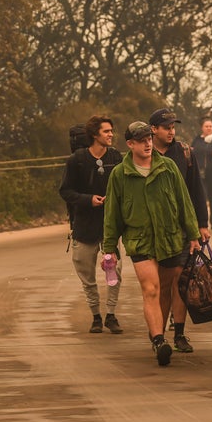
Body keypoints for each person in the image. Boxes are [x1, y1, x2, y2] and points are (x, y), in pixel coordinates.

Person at [103, 121, 200, 366]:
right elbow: (112, 214)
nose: (147, 143)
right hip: (140, 240)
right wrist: (109, 248)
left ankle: (159, 332)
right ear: (130, 144)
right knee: (151, 289)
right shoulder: (120, 174)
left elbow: (184, 202)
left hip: (169, 238)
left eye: (149, 138)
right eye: (141, 140)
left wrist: (194, 235)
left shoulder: (168, 167)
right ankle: (158, 340)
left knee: (166, 289)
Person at [149, 108, 210, 354]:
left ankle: (180, 334)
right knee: (159, 285)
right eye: (166, 127)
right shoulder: (144, 153)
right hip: (154, 230)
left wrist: (202, 224)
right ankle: (158, 335)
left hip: (183, 228)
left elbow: (197, 189)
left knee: (180, 282)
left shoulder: (184, 152)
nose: (171, 131)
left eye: (173, 127)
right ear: (154, 130)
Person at [60, 115, 124, 334]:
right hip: (84, 226)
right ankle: (96, 316)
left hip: (109, 229)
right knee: (87, 275)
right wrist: (89, 200)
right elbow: (65, 191)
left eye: (111, 131)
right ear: (95, 134)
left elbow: (125, 185)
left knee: (114, 273)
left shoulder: (116, 157)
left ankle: (111, 315)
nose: (111, 135)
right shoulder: (76, 160)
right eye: (106, 131)